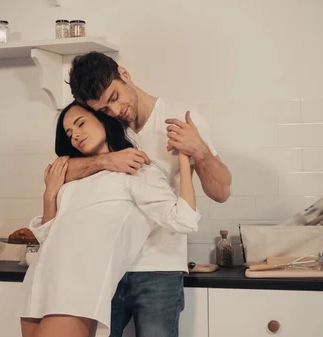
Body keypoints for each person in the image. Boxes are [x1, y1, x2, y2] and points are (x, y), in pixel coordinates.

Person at [66, 52, 232, 337]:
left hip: (160, 268)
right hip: (106, 267)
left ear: (125, 74)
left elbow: (221, 192)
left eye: (115, 97)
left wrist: (199, 151)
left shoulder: (182, 117)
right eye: (104, 109)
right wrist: (105, 161)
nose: (115, 111)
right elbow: (61, 171)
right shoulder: (102, 127)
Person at [18, 101, 201, 337]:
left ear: (103, 119)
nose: (75, 136)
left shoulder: (135, 170)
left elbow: (184, 220)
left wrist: (185, 161)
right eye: (69, 133)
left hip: (76, 291)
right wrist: (49, 194)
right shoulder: (73, 178)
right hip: (40, 282)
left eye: (80, 123)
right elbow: (47, 236)